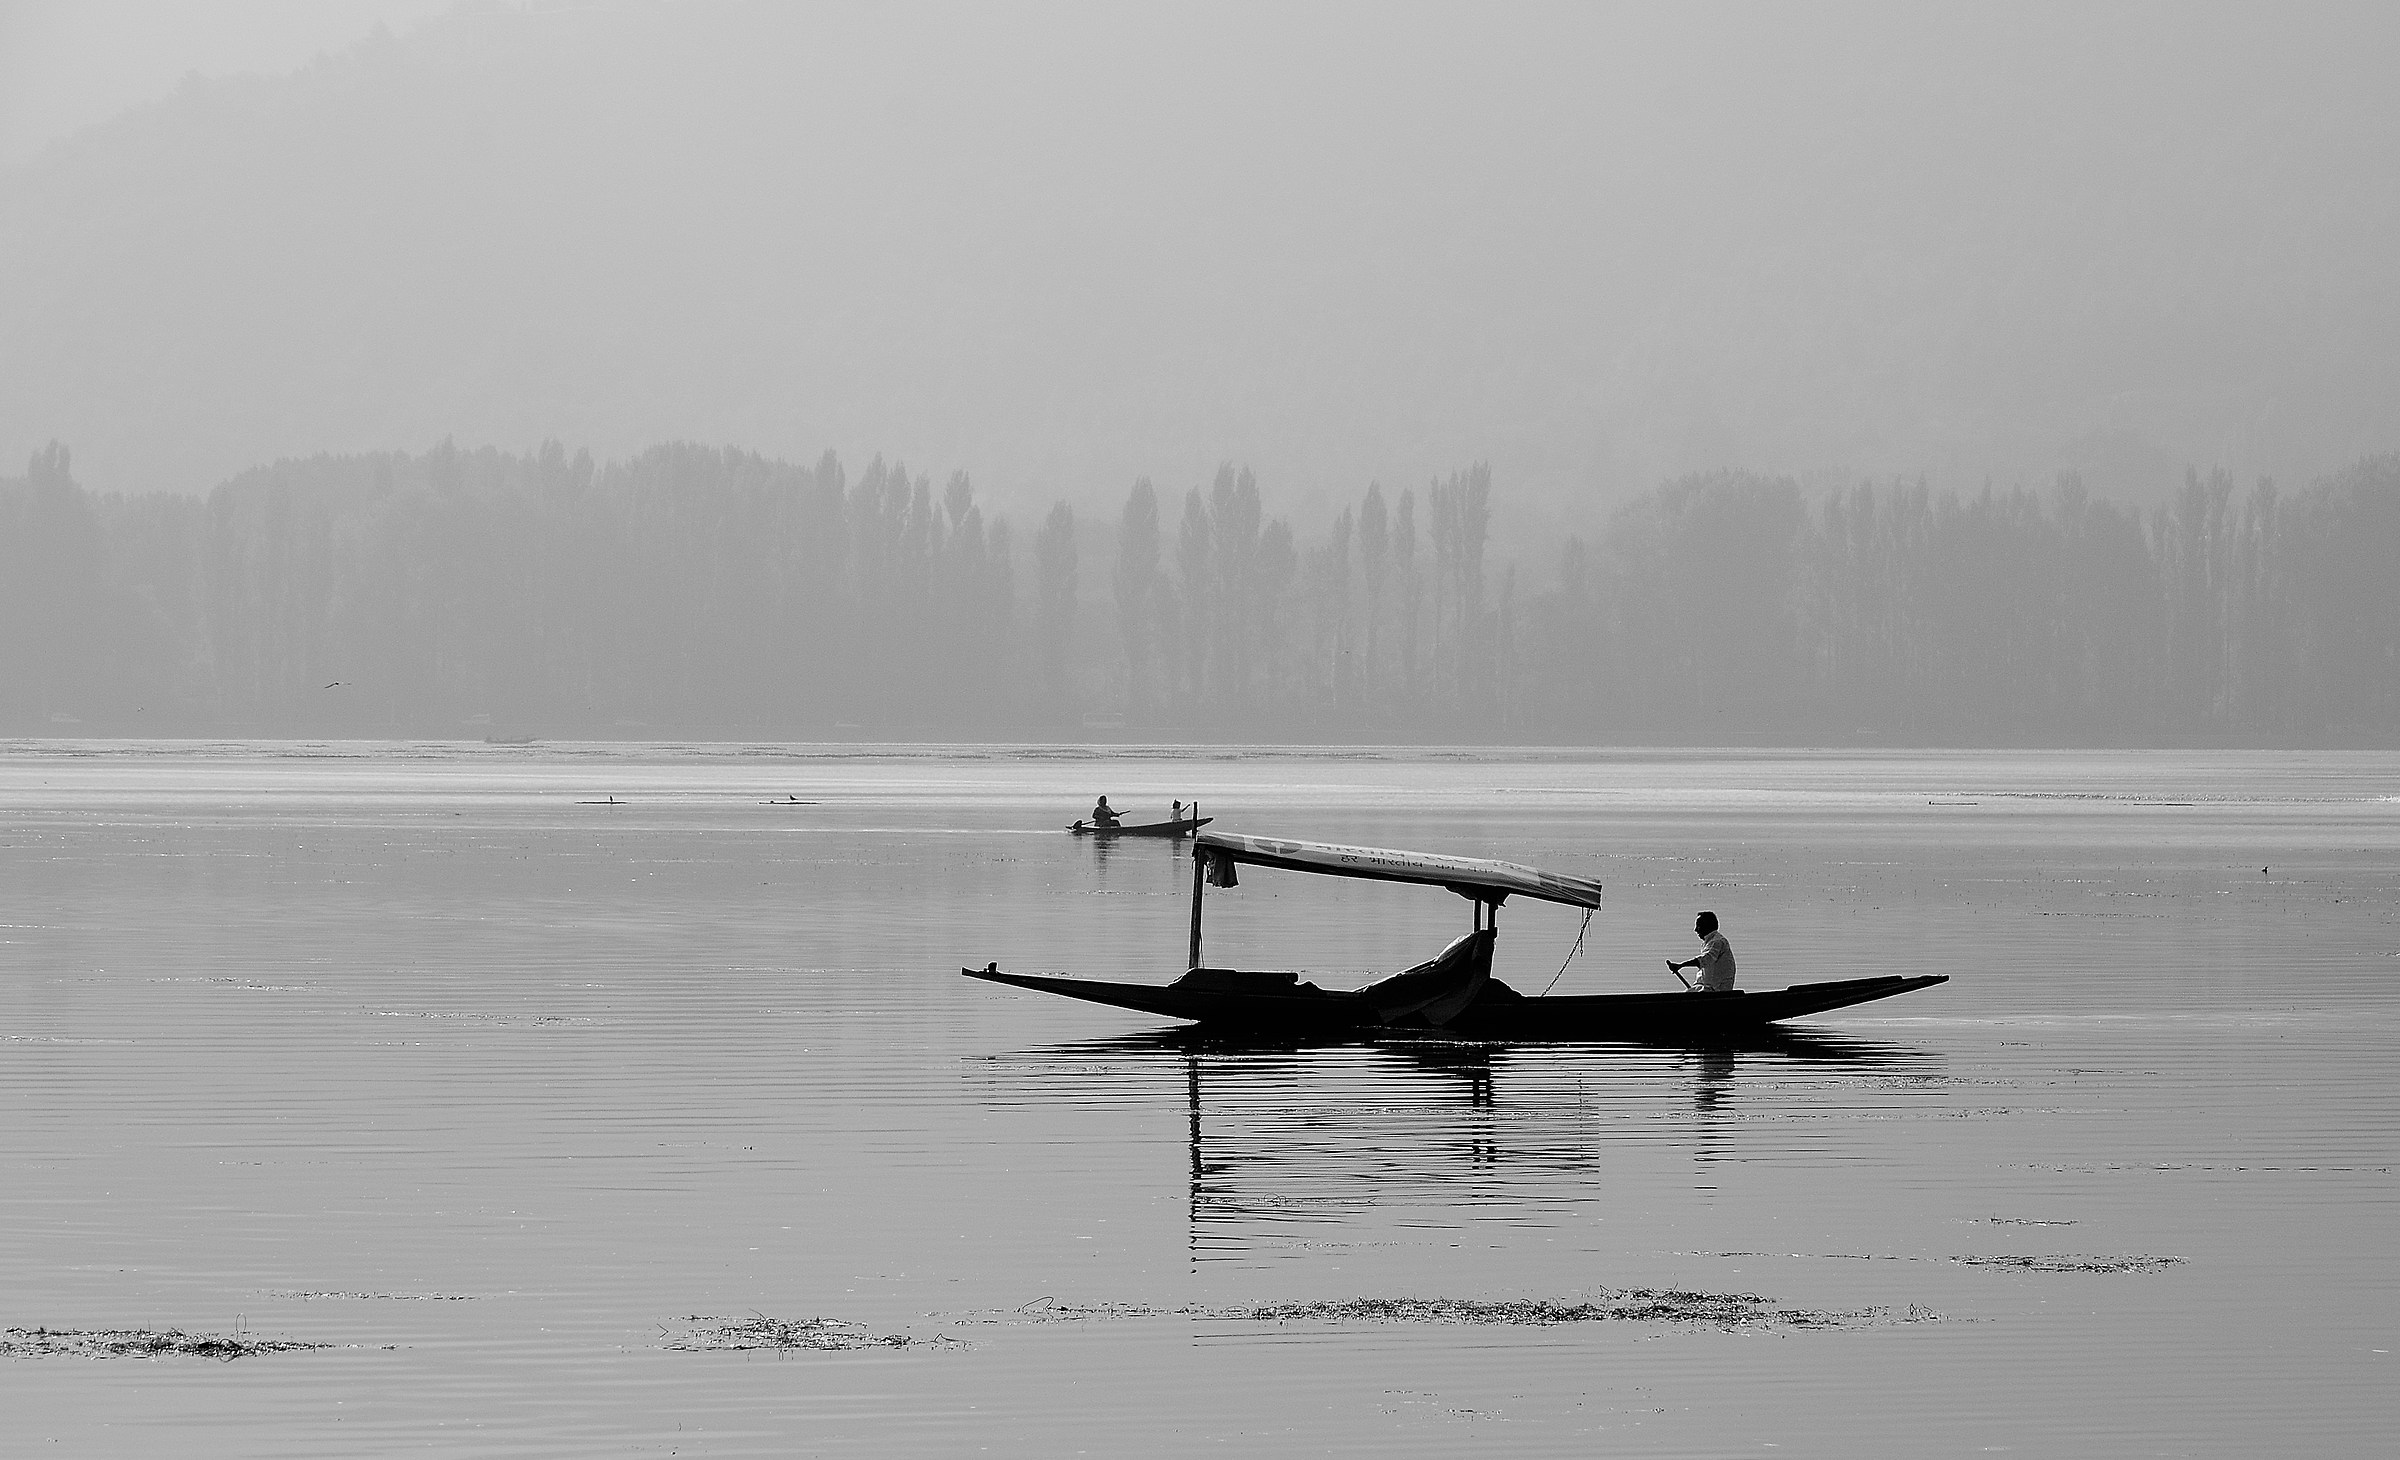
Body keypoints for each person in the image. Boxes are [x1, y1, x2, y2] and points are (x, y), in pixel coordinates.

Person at [1667, 911, 1736, 991]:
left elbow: (1705, 959)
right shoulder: (1708, 943)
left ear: (1707, 926)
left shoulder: (1717, 942)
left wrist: (1681, 965)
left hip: (1718, 990)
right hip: (1707, 988)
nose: (1695, 930)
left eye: (1698, 926)